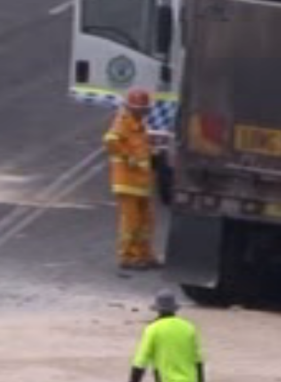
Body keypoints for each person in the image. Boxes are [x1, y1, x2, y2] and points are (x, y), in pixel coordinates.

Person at [103, 88, 161, 270]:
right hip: (127, 182)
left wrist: (152, 154)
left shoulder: (139, 125)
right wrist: (129, 157)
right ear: (133, 108)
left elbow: (140, 149)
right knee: (131, 222)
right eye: (142, 109)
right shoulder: (123, 122)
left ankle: (144, 254)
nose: (145, 112)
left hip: (140, 182)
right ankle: (128, 257)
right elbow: (111, 140)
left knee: (146, 220)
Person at [129, 289, 205, 382]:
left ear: (157, 309)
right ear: (174, 308)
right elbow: (198, 361)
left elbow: (140, 363)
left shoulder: (153, 329)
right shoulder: (189, 327)